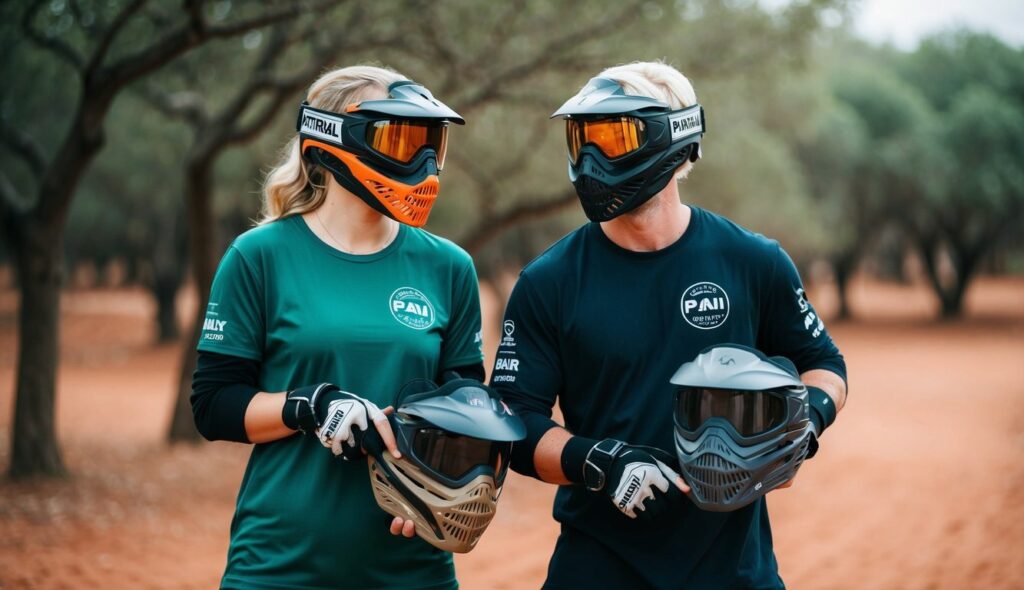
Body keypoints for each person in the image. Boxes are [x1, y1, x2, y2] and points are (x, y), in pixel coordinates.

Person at [490, 61, 848, 589]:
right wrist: (600, 462)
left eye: (613, 137)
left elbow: (824, 364)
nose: (590, 159)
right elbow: (514, 423)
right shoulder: (549, 281)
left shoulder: (752, 260)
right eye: (581, 139)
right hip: (597, 566)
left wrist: (805, 425)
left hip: (735, 568)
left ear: (674, 137)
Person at [190, 65, 484, 590]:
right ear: (329, 141)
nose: (421, 162)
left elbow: (466, 405)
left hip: (411, 564)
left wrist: (441, 483)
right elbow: (214, 405)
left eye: (430, 143)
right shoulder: (258, 257)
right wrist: (311, 405)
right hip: (280, 564)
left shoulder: (449, 266)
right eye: (399, 138)